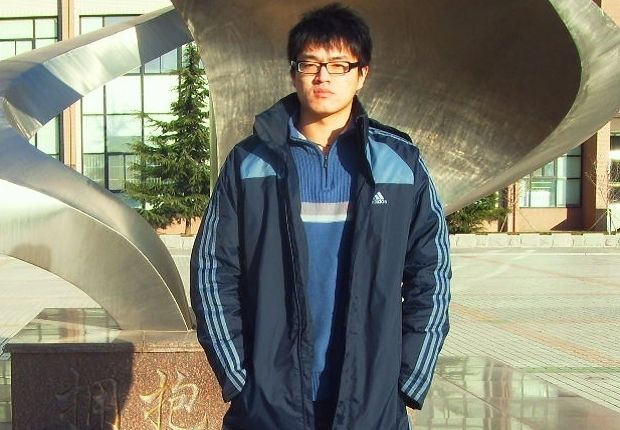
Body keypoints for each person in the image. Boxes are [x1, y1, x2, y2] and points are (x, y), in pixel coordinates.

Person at [190, 3, 451, 429]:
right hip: (269, 402)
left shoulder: (399, 164)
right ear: (293, 72)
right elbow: (212, 270)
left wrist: (407, 377)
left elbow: (431, 271)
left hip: (371, 400)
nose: (322, 76)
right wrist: (239, 378)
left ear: (362, 74)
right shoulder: (250, 163)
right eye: (309, 63)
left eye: (338, 65)